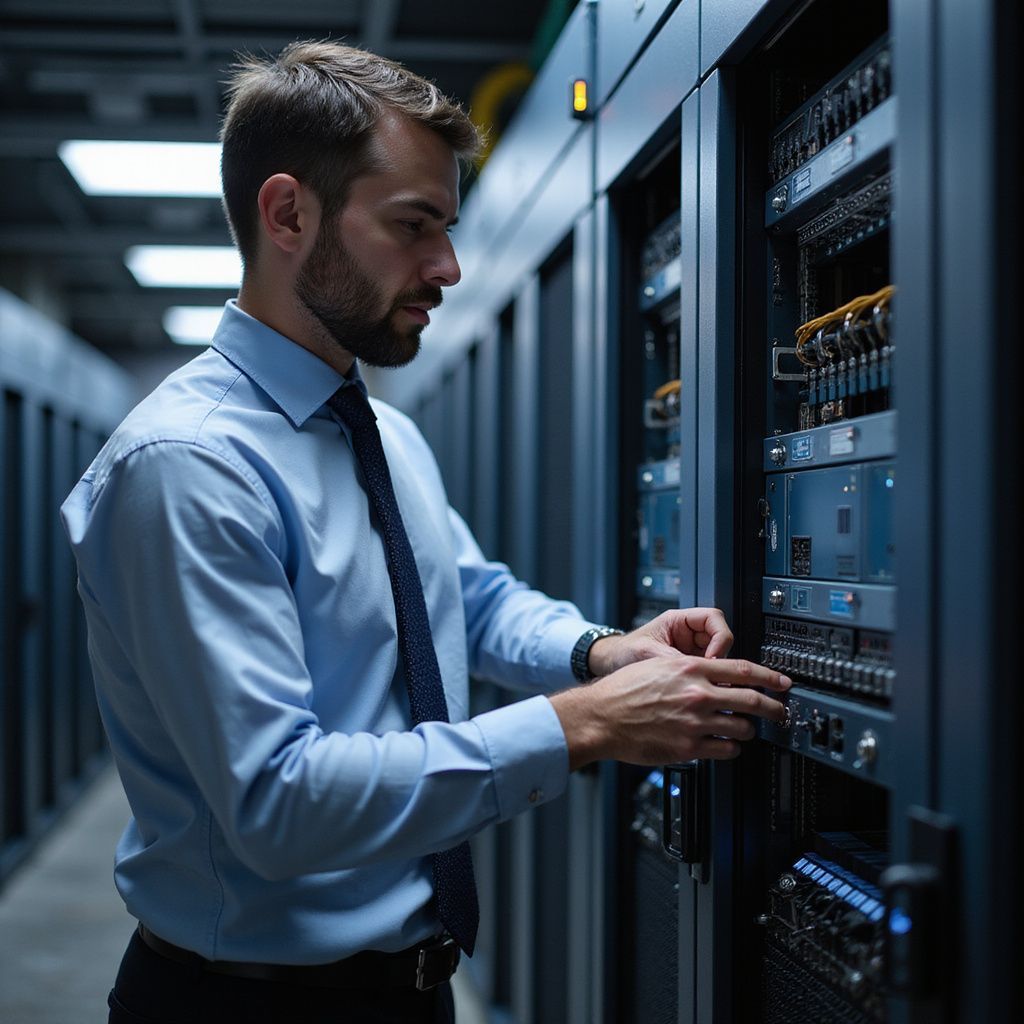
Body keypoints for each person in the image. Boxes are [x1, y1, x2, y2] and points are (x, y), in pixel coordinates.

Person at [61, 40, 790, 1024]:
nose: (446, 266)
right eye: (413, 226)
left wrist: (598, 653)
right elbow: (278, 800)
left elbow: (467, 597)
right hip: (243, 1003)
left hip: (410, 987)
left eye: (446, 227)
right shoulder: (188, 467)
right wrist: (584, 726)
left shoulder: (380, 431)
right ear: (288, 214)